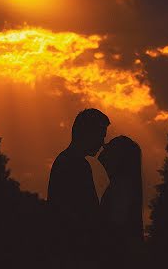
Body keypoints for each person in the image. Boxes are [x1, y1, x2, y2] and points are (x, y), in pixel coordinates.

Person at [46, 108, 110, 267]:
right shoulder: (76, 164)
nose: (102, 143)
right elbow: (88, 212)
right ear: (87, 132)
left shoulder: (66, 160)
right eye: (100, 135)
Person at [98, 136, 144, 267]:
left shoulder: (121, 187)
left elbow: (114, 228)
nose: (102, 153)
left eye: (109, 150)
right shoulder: (124, 186)